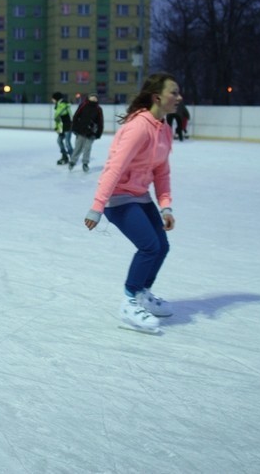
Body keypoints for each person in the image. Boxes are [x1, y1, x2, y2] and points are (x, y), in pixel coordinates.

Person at [84, 73, 181, 333]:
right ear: (157, 97)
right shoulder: (139, 127)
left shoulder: (164, 130)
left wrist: (166, 206)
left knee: (161, 246)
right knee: (149, 246)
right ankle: (129, 301)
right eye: (174, 92)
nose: (179, 97)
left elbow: (162, 172)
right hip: (118, 199)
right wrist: (98, 206)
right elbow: (114, 167)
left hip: (140, 196)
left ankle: (142, 294)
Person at [68, 93, 104, 172]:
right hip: (81, 130)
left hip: (91, 132)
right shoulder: (83, 105)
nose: (94, 99)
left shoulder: (98, 109)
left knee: (87, 148)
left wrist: (98, 133)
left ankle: (85, 163)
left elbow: (100, 122)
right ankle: (72, 162)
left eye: (95, 98)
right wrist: (74, 128)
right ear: (89, 98)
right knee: (78, 147)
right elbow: (76, 117)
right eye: (92, 97)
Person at [52, 92, 73, 164]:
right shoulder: (58, 105)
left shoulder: (63, 104)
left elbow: (58, 114)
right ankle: (64, 156)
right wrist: (57, 128)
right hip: (62, 127)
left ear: (56, 98)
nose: (52, 100)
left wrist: (56, 114)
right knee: (59, 141)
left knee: (67, 143)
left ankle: (73, 158)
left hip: (68, 126)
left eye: (53, 99)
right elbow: (58, 119)